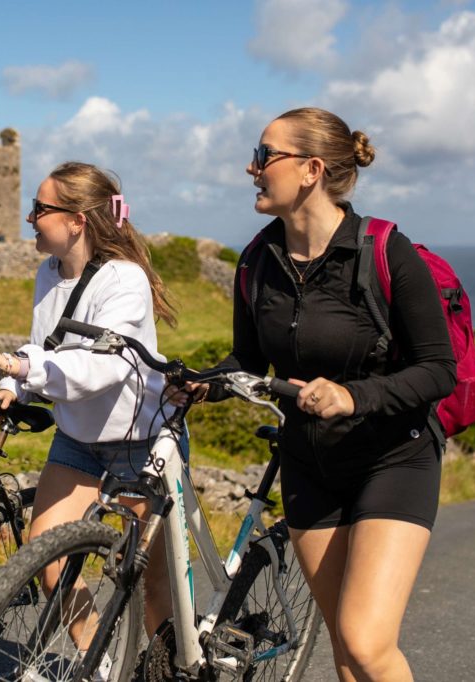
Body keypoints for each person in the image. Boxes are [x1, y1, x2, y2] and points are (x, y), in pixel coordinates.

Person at [177, 107, 456, 681]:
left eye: (263, 155)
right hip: (308, 466)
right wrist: (198, 387)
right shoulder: (257, 259)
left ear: (310, 169)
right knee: (346, 652)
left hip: (393, 458)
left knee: (367, 639)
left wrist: (353, 397)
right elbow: (247, 362)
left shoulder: (385, 252)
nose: (250, 167)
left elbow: (438, 370)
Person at [0, 161, 178, 676]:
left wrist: (15, 365)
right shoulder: (50, 272)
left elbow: (100, 368)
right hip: (78, 437)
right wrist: (13, 382)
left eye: (39, 208)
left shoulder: (124, 280)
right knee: (47, 556)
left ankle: (168, 668)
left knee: (146, 582)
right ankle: (98, 662)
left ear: (76, 220)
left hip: (137, 444)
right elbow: (48, 346)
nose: (29, 218)